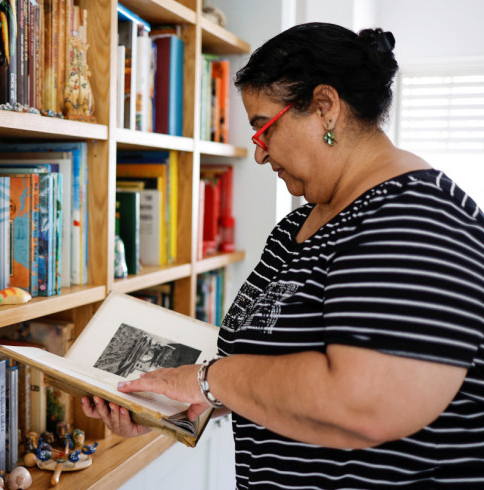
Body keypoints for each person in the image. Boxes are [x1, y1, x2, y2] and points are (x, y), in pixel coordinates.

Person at [82, 22, 484, 487]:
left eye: (263, 129)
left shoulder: (415, 218)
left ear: (325, 107)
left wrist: (209, 381)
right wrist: (176, 403)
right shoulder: (296, 227)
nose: (259, 153)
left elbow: (365, 403)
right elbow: (277, 376)